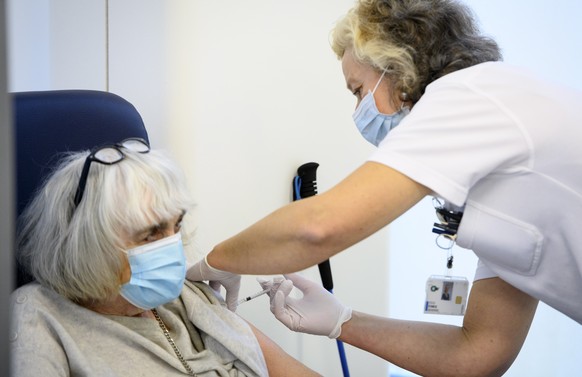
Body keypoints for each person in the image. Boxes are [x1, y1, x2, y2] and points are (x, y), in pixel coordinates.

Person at [187, 0, 582, 375]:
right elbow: (479, 354)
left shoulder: (470, 94)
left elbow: (318, 227)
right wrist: (342, 321)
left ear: (398, 65)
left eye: (358, 90)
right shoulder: (488, 177)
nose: (357, 111)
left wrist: (215, 263)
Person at [10, 138, 319, 376]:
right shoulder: (37, 317)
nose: (172, 246)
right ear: (89, 244)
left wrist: (342, 323)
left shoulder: (187, 296)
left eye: (177, 226)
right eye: (152, 233)